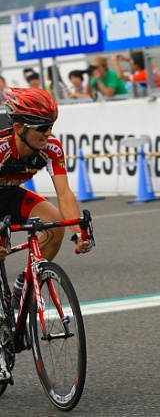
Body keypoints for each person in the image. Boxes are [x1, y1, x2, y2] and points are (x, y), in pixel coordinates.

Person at [0, 88, 92, 382]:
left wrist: (78, 230)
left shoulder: (50, 147)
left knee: (53, 224)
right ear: (18, 128)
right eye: (43, 127)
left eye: (52, 125)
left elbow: (63, 192)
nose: (49, 133)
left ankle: (25, 282)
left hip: (10, 194)